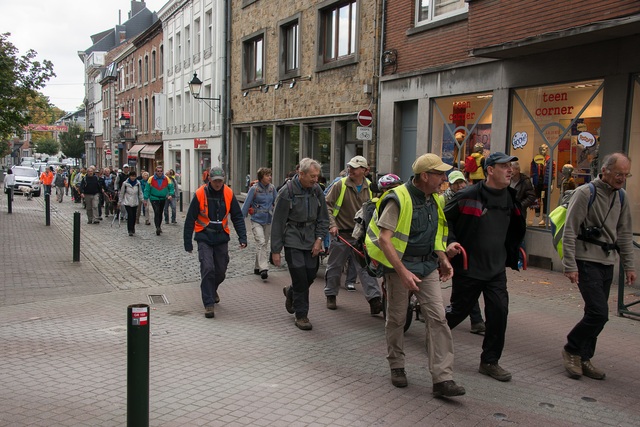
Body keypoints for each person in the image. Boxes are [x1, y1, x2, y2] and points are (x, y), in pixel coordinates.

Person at [365, 153, 465, 397]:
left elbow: (436, 235)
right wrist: (402, 271)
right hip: (401, 268)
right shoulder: (398, 198)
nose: (444, 178)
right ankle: (397, 365)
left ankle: (443, 379)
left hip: (427, 267)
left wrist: (443, 257)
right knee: (398, 319)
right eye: (440, 174)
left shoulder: (436, 199)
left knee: (438, 319)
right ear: (425, 175)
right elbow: (385, 240)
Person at [444, 152, 526, 382]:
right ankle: (435, 331)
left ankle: (490, 361)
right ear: (490, 170)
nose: (510, 170)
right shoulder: (468, 195)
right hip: (470, 267)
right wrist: (450, 242)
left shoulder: (511, 197)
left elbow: (515, 226)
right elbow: (444, 219)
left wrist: (514, 250)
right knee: (458, 312)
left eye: (511, 166)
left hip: (496, 269)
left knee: (499, 312)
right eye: (504, 167)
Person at [561, 152, 636, 380]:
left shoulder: (621, 197)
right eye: (618, 174)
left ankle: (585, 358)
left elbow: (624, 233)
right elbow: (570, 231)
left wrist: (629, 266)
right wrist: (570, 265)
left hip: (607, 262)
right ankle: (572, 349)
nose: (622, 178)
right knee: (598, 313)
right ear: (604, 171)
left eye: (626, 174)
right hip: (586, 261)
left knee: (595, 313)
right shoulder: (585, 193)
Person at [271, 158, 329, 330]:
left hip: (311, 238)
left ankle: (291, 291)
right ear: (300, 173)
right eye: (312, 176)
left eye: (317, 176)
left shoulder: (317, 190)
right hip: (293, 237)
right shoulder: (286, 192)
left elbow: (323, 218)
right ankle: (301, 315)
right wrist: (275, 250)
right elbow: (278, 222)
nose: (315, 180)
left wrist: (319, 240)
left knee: (310, 274)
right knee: (300, 275)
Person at [183, 166, 247, 319]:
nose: (218, 184)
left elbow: (237, 217)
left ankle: (212, 289)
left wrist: (242, 237)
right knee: (207, 268)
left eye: (220, 181)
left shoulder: (228, 193)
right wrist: (188, 242)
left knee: (220, 271)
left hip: (221, 237)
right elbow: (190, 218)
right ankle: (209, 303)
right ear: (209, 180)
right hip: (204, 236)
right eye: (215, 181)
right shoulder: (200, 193)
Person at [324, 155, 382, 315]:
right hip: (341, 233)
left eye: (355, 168)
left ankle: (375, 300)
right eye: (350, 167)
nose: (351, 170)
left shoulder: (371, 188)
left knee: (365, 268)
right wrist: (332, 225)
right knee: (335, 266)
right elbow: (327, 205)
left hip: (361, 236)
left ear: (365, 170)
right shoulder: (340, 185)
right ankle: (330, 295)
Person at [441, 170, 486, 334]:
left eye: (462, 182)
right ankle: (474, 320)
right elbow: (442, 222)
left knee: (464, 285)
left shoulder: (471, 197)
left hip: (463, 248)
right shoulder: (443, 199)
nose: (460, 185)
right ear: (450, 185)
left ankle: (468, 317)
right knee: (465, 285)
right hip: (446, 245)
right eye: (456, 183)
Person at [241, 167, 277, 280]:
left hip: (268, 220)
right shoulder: (254, 189)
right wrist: (240, 220)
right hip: (256, 220)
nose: (270, 177)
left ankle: (257, 267)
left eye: (270, 175)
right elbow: (246, 204)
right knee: (261, 242)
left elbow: (277, 202)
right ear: (261, 177)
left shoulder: (272, 188)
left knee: (264, 244)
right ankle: (264, 268)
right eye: (267, 175)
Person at [144, 165, 174, 236]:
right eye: (158, 171)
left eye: (161, 171)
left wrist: (171, 194)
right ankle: (157, 227)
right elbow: (147, 189)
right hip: (154, 198)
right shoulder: (151, 179)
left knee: (160, 213)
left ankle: (159, 226)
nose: (159, 172)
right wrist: (145, 198)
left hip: (163, 198)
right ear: (155, 172)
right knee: (156, 211)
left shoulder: (167, 179)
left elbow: (171, 187)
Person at [531, 144, 555, 226]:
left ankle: (545, 218)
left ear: (547, 150)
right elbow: (532, 171)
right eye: (540, 149)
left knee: (545, 200)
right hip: (537, 183)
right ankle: (536, 216)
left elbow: (553, 173)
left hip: (546, 183)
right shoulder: (535, 160)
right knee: (537, 200)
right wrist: (532, 181)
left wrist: (552, 184)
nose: (542, 151)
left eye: (544, 149)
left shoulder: (550, 160)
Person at [118, 170, 144, 236]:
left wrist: (142, 200)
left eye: (134, 176)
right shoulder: (125, 183)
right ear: (129, 176)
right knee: (130, 215)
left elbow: (140, 192)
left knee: (134, 216)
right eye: (132, 176)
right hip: (127, 202)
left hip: (135, 201)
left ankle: (133, 227)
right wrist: (120, 201)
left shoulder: (138, 183)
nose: (133, 178)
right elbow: (122, 193)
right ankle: (130, 229)